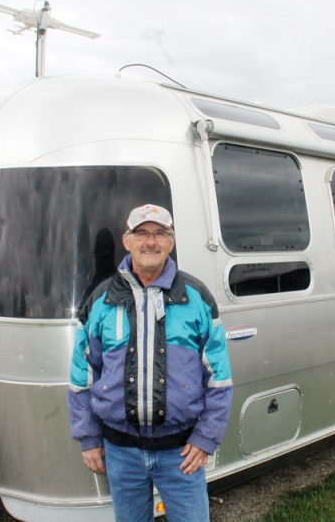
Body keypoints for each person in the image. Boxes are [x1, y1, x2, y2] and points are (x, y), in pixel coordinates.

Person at [68, 203, 233, 522]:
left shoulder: (196, 297)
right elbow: (82, 374)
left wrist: (206, 437)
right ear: (126, 240)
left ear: (171, 242)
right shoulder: (101, 300)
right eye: (141, 233)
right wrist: (89, 438)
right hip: (120, 452)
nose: (151, 241)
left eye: (160, 233)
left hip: (181, 452)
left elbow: (219, 378)